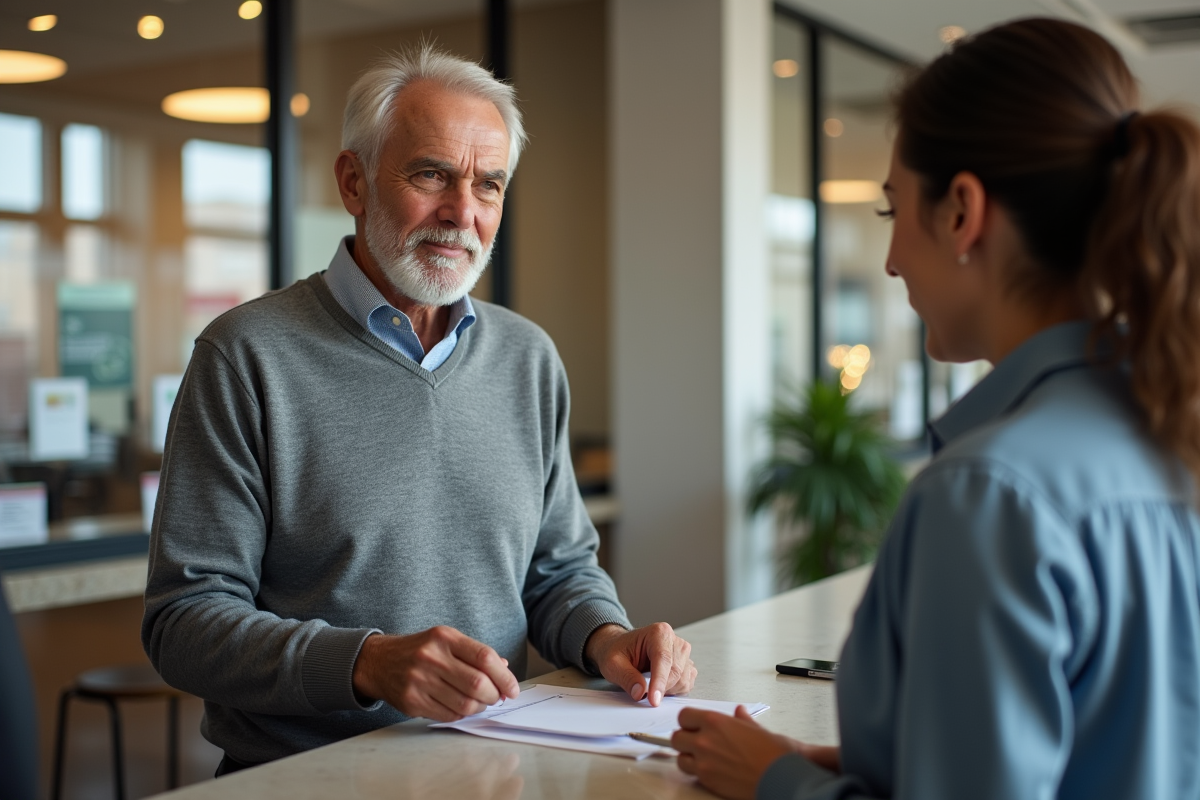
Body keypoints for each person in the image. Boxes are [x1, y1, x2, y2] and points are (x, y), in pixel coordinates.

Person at [672, 17, 1200, 800]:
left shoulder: (989, 494)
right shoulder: (1172, 433)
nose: (888, 261)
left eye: (892, 212)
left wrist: (777, 781)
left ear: (961, 212)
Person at [142, 44, 696, 773]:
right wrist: (365, 662)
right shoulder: (246, 355)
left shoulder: (528, 359)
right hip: (303, 781)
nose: (461, 213)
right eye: (432, 174)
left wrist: (606, 637)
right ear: (353, 180)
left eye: (489, 185)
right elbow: (183, 623)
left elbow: (559, 572)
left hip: (499, 768)